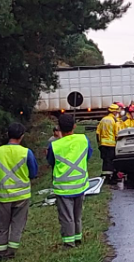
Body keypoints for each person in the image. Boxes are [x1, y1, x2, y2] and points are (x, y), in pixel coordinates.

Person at [47, 114, 92, 248]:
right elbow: (88, 155)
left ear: (59, 128)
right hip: (80, 184)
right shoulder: (83, 139)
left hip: (63, 187)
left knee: (66, 217)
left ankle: (69, 242)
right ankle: (78, 238)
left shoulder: (54, 145)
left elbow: (51, 161)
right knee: (77, 214)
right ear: (74, 126)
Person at [0, 123, 38, 259]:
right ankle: (11, 251)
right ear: (21, 136)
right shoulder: (26, 152)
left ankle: (1, 250)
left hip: (3, 195)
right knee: (18, 223)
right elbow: (33, 172)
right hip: (22, 195)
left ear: (7, 135)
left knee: (2, 225)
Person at [96, 104, 120, 181]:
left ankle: (104, 177)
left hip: (103, 144)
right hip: (111, 144)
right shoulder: (115, 120)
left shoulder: (102, 120)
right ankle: (110, 178)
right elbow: (117, 134)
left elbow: (97, 133)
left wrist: (98, 144)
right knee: (111, 161)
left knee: (105, 160)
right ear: (115, 112)